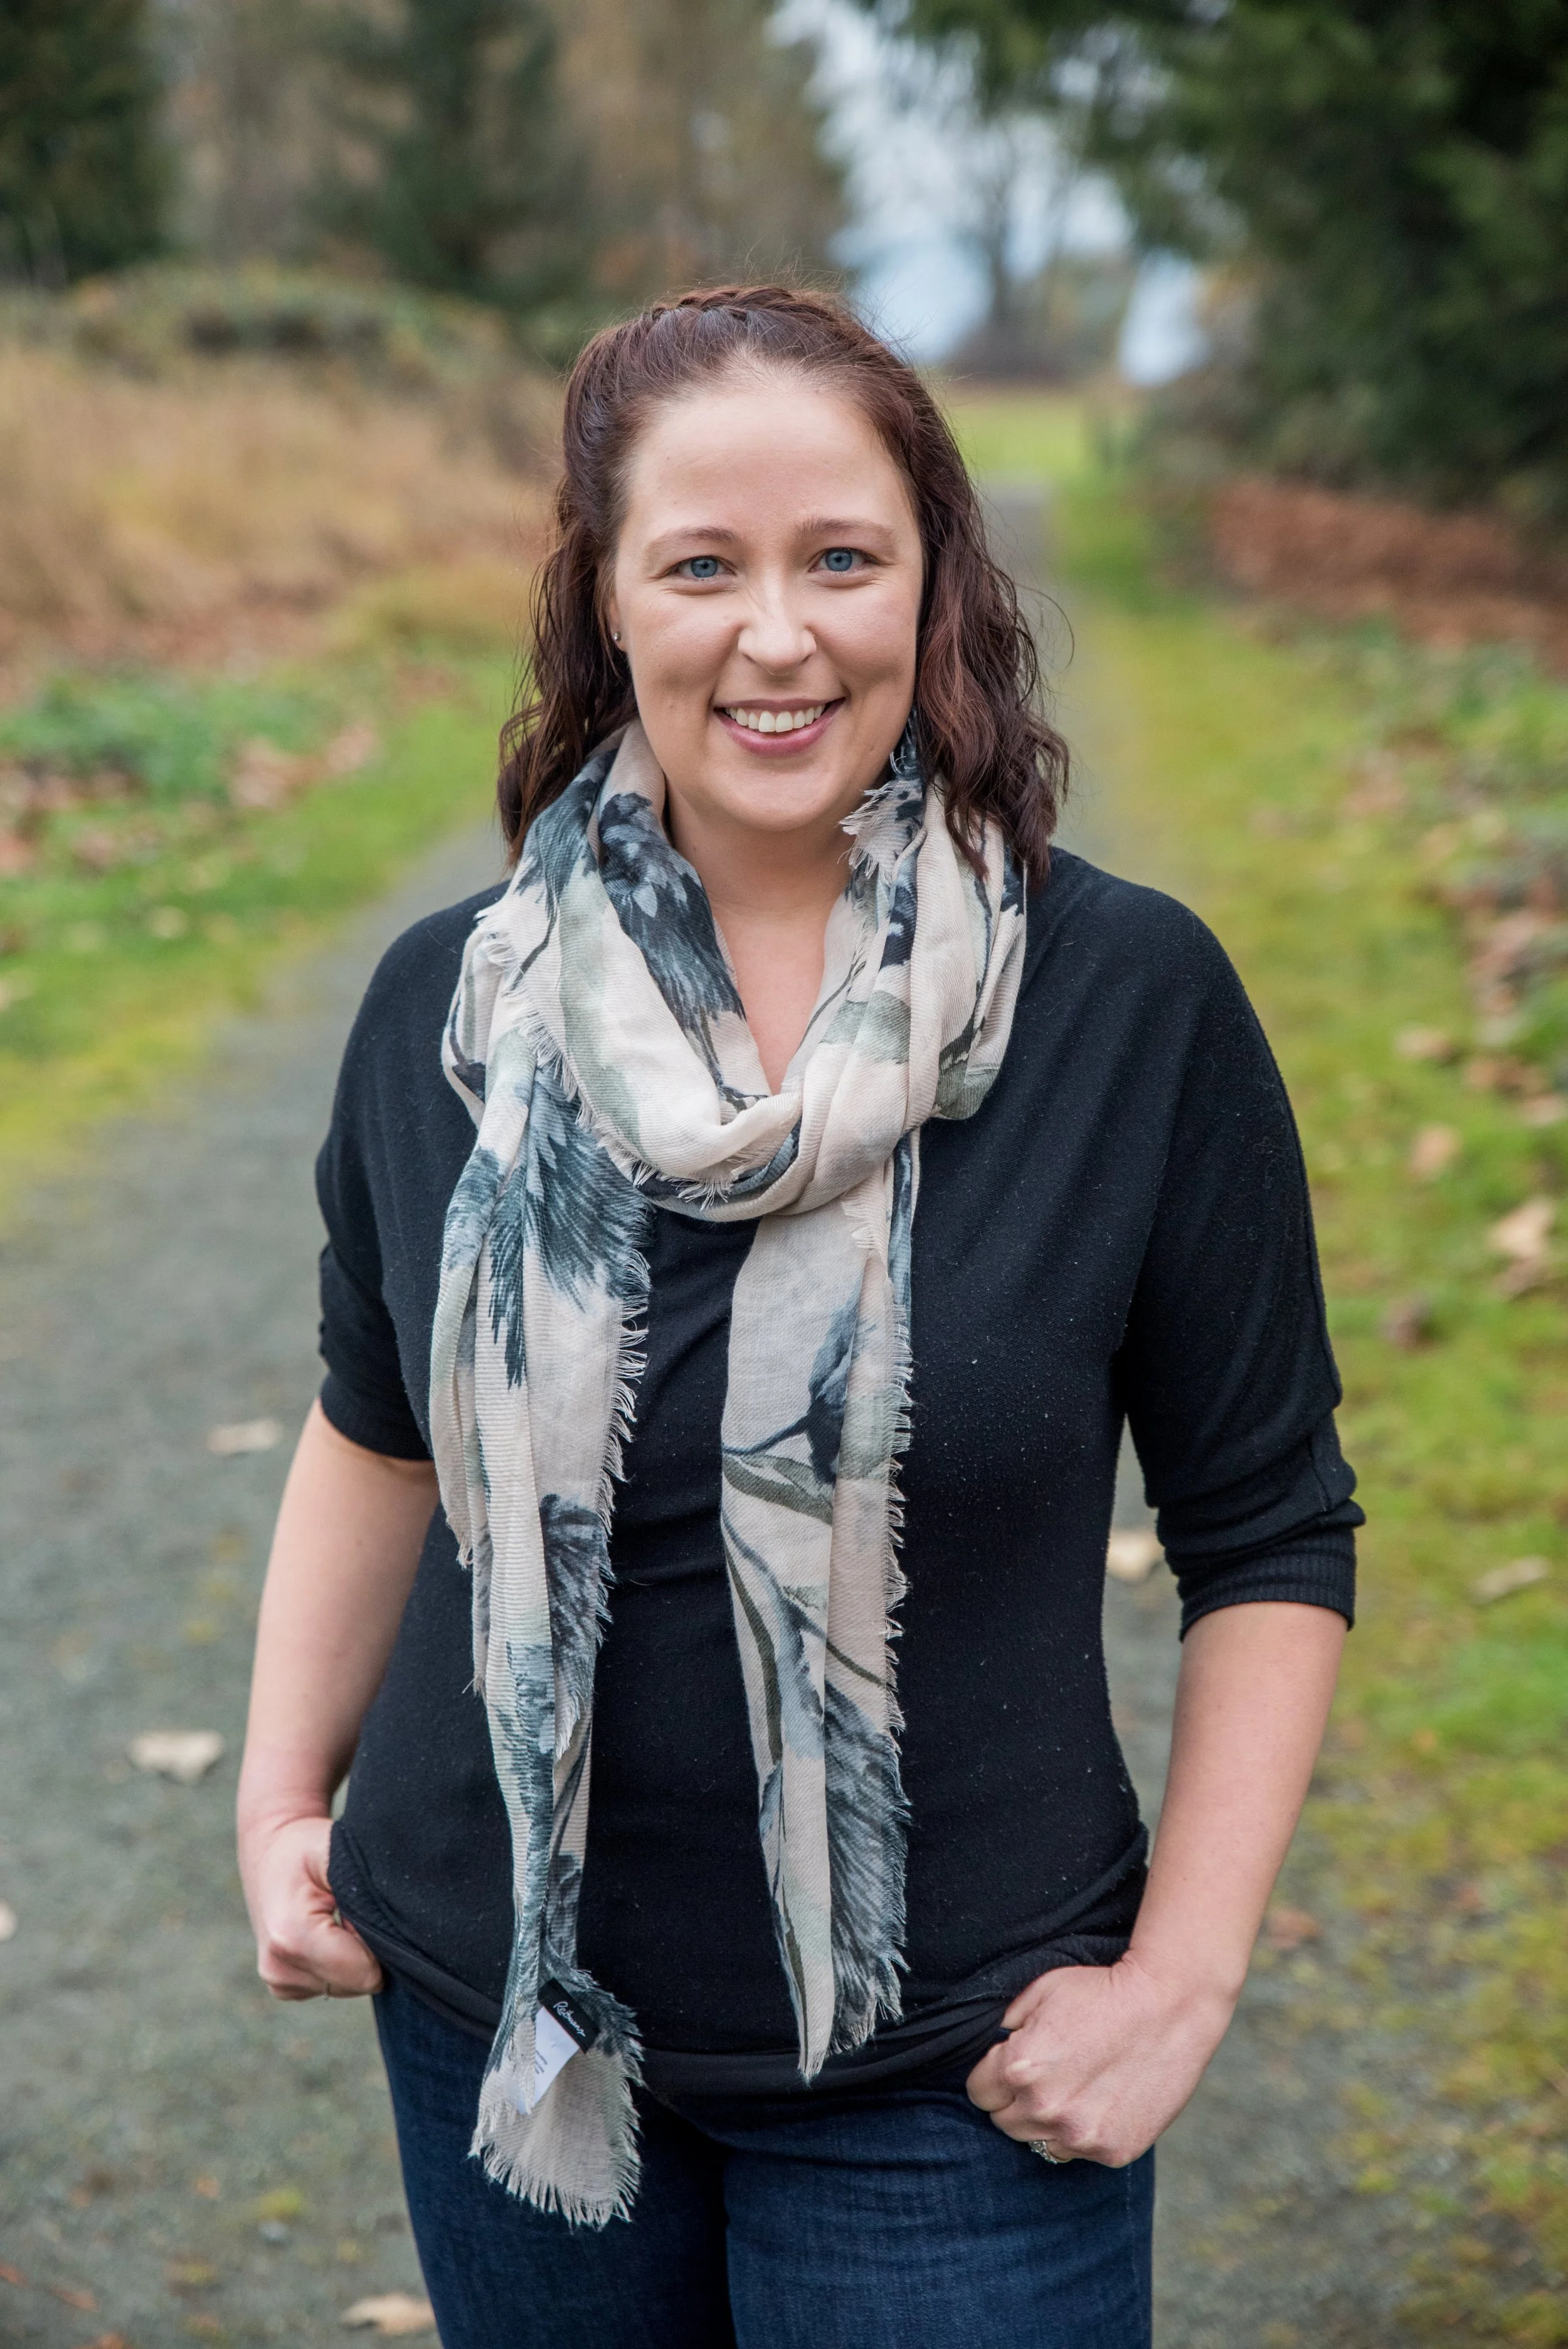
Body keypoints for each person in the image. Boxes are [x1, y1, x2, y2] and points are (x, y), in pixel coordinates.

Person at [237, 285, 1361, 2349]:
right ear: (603, 603)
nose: (777, 636)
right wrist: (271, 1800)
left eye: (840, 558)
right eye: (701, 566)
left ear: (934, 584)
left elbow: (1270, 1529)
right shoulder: (451, 1010)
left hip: (954, 2062)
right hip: (513, 2027)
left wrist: (1179, 1983)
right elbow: (375, 1422)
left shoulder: (1124, 1007)